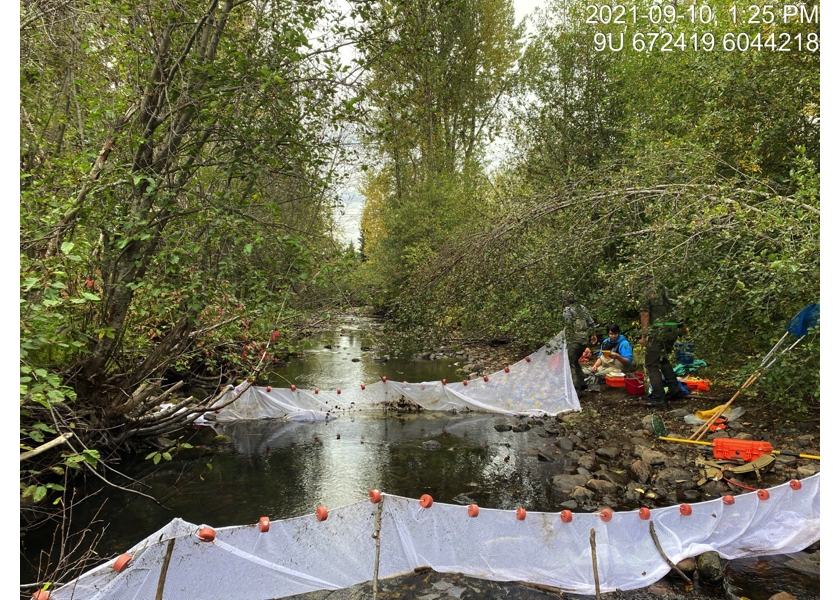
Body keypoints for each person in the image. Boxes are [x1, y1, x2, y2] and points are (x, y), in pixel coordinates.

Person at [640, 284, 684, 408]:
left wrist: (643, 336)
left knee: (651, 364)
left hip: (658, 331)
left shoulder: (649, 292)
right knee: (662, 358)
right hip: (672, 330)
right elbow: (681, 310)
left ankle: (659, 398)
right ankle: (674, 388)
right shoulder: (673, 290)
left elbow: (645, 314)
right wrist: (682, 328)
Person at [562, 296, 595, 395]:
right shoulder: (582, 308)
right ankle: (582, 381)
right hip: (585, 338)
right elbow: (591, 323)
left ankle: (576, 388)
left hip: (575, 337)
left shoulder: (567, 310)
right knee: (575, 360)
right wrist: (593, 335)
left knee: (569, 361)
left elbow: (568, 327)